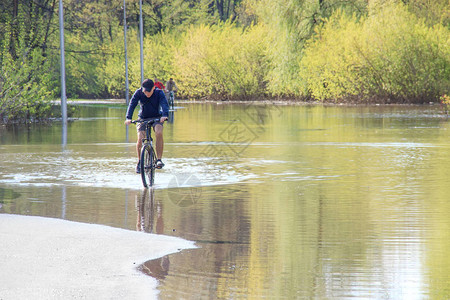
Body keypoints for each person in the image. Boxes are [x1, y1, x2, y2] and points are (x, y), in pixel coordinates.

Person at [124, 79, 169, 173]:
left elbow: (164, 104)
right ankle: (140, 162)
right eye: (145, 91)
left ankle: (159, 160)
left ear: (153, 88)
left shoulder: (159, 93)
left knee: (159, 132)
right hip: (142, 118)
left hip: (157, 117)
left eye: (149, 91)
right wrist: (128, 118)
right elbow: (132, 104)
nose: (147, 93)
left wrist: (165, 115)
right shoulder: (139, 92)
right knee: (140, 138)